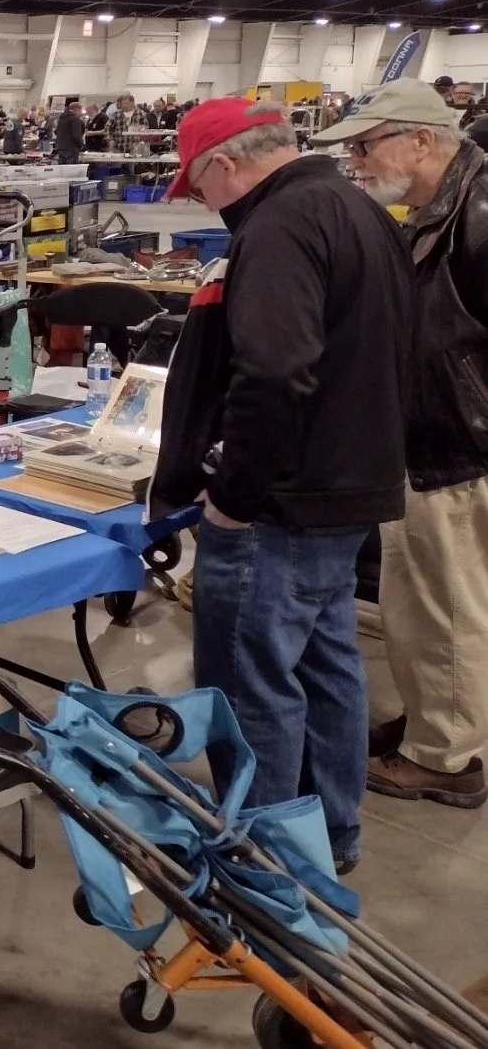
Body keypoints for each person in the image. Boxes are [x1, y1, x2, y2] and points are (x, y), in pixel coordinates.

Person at [152, 97, 412, 872]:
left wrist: (233, 494)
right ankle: (331, 836)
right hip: (347, 492)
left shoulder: (279, 227)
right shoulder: (363, 213)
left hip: (281, 505)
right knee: (327, 668)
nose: (202, 203)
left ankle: (258, 857)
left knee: (248, 683)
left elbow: (272, 372)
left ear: (226, 163)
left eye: (198, 186)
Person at [310, 80, 488, 810]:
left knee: (445, 606)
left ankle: (446, 756)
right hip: (437, 437)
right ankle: (436, 724)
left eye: (365, 143)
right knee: (430, 605)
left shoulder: (476, 213)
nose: (354, 161)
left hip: (455, 445)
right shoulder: (441, 208)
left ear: (421, 139)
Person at [55, 98, 86, 165]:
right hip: (71, 149)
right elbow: (76, 135)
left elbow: (56, 132)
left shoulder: (61, 118)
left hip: (60, 148)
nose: (81, 113)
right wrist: (82, 145)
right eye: (80, 110)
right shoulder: (75, 119)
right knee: (71, 172)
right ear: (77, 109)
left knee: (62, 171)